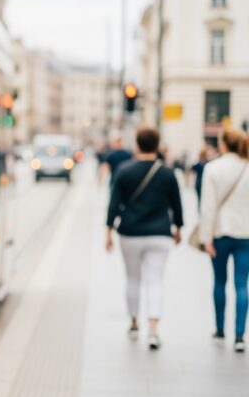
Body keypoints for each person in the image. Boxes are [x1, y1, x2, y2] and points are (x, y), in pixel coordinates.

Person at [106, 127, 183, 350]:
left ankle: (133, 322)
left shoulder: (124, 170)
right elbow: (176, 204)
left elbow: (113, 204)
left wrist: (108, 231)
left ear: (137, 145)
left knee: (132, 279)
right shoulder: (167, 173)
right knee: (155, 281)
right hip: (160, 233)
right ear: (157, 145)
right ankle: (153, 329)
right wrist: (178, 228)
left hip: (130, 233)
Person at [199, 128, 249, 353]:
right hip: (245, 234)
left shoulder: (213, 168)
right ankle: (240, 335)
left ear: (224, 144)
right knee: (241, 285)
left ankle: (220, 329)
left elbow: (208, 207)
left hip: (220, 233)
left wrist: (205, 237)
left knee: (219, 282)